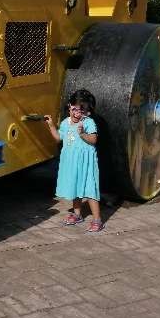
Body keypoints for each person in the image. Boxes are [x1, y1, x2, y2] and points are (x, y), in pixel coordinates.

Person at [43, 89, 103, 232]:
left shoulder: (88, 122)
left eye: (82, 111)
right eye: (74, 109)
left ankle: (97, 220)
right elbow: (58, 138)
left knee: (90, 190)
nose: (77, 113)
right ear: (69, 106)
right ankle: (78, 215)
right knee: (75, 187)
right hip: (71, 163)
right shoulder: (65, 123)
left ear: (88, 112)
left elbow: (93, 140)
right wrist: (51, 125)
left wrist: (82, 133)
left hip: (86, 163)